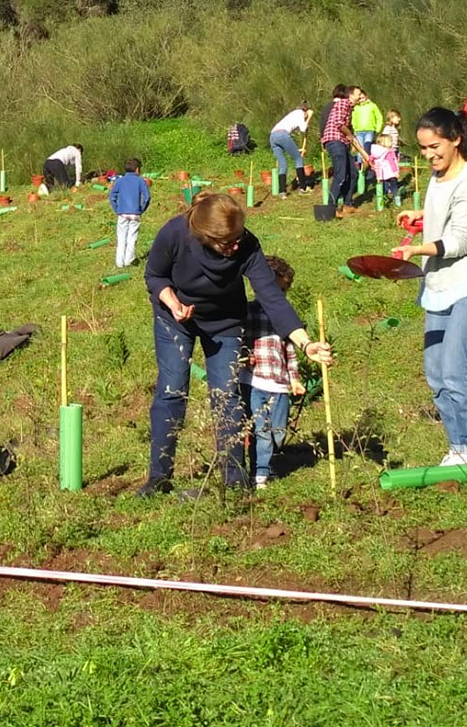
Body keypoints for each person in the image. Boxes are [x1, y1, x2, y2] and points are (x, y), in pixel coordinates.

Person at [140, 192, 332, 499]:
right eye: (227, 243)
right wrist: (173, 302)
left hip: (225, 322)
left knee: (226, 395)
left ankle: (234, 479)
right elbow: (155, 275)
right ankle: (159, 477)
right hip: (174, 317)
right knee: (172, 389)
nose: (235, 246)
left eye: (238, 237)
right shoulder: (175, 233)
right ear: (205, 236)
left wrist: (304, 343)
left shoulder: (247, 244)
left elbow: (270, 295)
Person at [390, 108, 467, 475]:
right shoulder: (438, 178)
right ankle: (457, 448)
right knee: (437, 373)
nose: (429, 155)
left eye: (434, 146)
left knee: (456, 368)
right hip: (440, 286)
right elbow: (447, 219)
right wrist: (420, 218)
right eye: (423, 149)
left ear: (455, 138)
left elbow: (461, 240)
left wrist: (416, 249)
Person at [243, 256, 306, 488]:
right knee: (261, 430)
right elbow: (241, 340)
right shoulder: (249, 312)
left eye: (284, 292)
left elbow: (289, 350)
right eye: (277, 290)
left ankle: (265, 465)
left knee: (277, 433)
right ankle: (259, 474)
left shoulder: (286, 318)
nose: (280, 297)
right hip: (255, 381)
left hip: (279, 385)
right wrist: (244, 357)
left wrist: (295, 380)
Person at [318, 85, 365, 217]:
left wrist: (353, 140)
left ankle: (348, 204)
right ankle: (330, 208)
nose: (361, 97)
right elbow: (339, 123)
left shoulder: (350, 108)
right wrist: (349, 135)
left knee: (353, 173)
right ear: (350, 95)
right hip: (334, 141)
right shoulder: (343, 104)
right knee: (341, 174)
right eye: (358, 94)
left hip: (342, 142)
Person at [109, 158, 151, 267]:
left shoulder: (120, 181)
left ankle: (119, 263)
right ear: (137, 170)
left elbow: (112, 196)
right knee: (132, 237)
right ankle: (129, 261)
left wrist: (117, 209)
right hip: (135, 213)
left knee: (121, 237)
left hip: (122, 213)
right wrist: (141, 209)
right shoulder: (140, 181)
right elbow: (147, 197)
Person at [269, 102, 313, 196]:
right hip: (282, 135)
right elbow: (303, 129)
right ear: (305, 110)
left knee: (283, 164)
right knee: (298, 159)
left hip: (273, 136)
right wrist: (309, 117)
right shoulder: (300, 113)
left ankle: (282, 191)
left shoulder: (292, 114)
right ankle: (303, 188)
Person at [350, 86, 383, 183]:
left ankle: (369, 170)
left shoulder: (372, 106)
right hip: (359, 131)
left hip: (369, 130)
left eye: (363, 97)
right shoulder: (356, 108)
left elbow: (379, 117)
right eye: (359, 98)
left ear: (366, 97)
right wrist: (355, 129)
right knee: (360, 151)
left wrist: (377, 129)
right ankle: (361, 170)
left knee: (367, 148)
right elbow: (353, 119)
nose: (361, 99)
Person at [370, 133, 401, 205]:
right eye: (390, 141)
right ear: (383, 143)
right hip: (390, 173)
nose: (391, 142)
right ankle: (396, 197)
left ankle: (383, 200)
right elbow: (392, 163)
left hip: (381, 173)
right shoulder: (388, 152)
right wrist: (395, 172)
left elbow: (370, 158)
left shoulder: (376, 151)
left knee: (384, 186)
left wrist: (372, 164)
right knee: (394, 185)